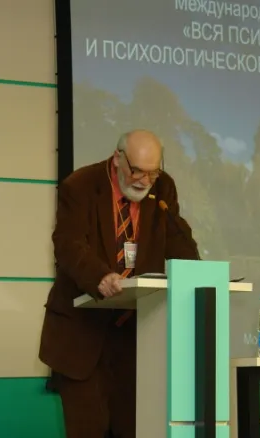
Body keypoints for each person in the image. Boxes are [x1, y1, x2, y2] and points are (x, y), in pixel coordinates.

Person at [39, 129, 199, 438]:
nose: (144, 180)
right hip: (83, 337)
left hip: (137, 339)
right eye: (137, 171)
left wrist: (197, 273)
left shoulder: (163, 188)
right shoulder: (81, 185)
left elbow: (177, 241)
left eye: (152, 173)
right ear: (117, 158)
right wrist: (100, 276)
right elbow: (68, 244)